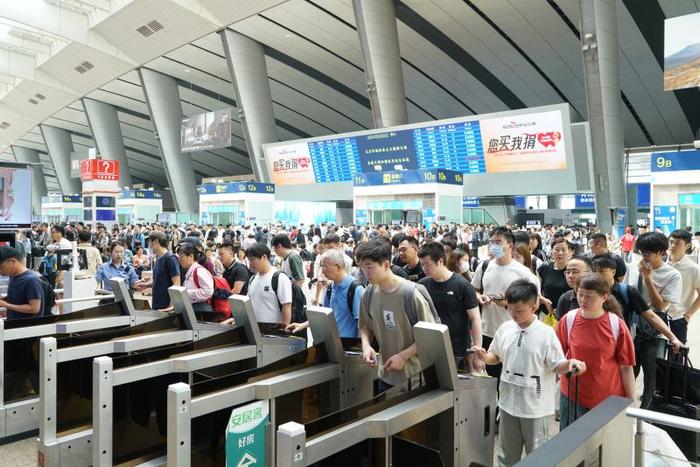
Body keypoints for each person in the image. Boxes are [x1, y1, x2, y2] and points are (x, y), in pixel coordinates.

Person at [472, 280, 585, 466]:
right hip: (508, 402)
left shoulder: (546, 333)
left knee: (537, 455)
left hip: (535, 407)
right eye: (510, 309)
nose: (513, 314)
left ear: (534, 307)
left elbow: (556, 365)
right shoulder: (505, 328)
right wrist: (484, 357)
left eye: (519, 310)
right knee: (507, 454)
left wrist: (570, 364)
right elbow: (496, 356)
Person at [357, 239, 438, 394]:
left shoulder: (411, 294)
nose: (365, 272)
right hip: (384, 375)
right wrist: (366, 346)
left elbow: (430, 337)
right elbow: (365, 326)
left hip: (415, 378)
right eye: (362, 267)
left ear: (386, 265)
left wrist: (402, 356)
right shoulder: (368, 293)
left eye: (369, 267)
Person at [556, 273, 636, 430]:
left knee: (602, 450)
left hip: (607, 398)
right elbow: (556, 356)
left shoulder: (616, 325)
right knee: (571, 446)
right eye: (580, 295)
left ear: (604, 297)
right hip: (573, 395)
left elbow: (626, 367)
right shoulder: (569, 320)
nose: (583, 301)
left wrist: (631, 402)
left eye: (590, 297)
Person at [623, 232, 683, 408]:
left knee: (651, 378)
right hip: (632, 326)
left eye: (648, 253)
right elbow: (627, 295)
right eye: (642, 252)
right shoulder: (633, 267)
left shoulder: (672, 274)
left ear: (661, 252)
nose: (644, 256)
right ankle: (621, 414)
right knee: (626, 372)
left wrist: (648, 279)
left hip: (655, 329)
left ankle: (647, 420)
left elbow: (661, 306)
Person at [471, 227, 540, 378]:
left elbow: (535, 304)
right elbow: (474, 289)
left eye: (498, 242)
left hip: (514, 332)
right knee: (491, 377)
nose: (494, 246)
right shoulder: (484, 266)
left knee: (513, 375)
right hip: (487, 331)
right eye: (492, 242)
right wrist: (479, 297)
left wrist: (508, 304)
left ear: (510, 246)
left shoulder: (523, 273)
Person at [418, 242, 483, 372]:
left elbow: (475, 318)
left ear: (440, 261)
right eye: (422, 265)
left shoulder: (462, 285)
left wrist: (477, 350)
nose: (424, 268)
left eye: (428, 264)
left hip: (458, 350)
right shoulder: (422, 285)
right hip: (431, 349)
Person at [286, 249, 364, 338]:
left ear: (337, 267)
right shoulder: (331, 288)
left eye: (325, 267)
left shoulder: (355, 289)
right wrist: (303, 325)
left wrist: (359, 348)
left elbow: (363, 326)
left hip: (348, 346)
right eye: (321, 267)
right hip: (332, 343)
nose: (322, 271)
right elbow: (325, 316)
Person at [666, 229, 700, 347]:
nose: (672, 246)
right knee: (656, 357)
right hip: (658, 316)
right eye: (671, 242)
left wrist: (688, 315)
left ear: (687, 246)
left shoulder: (693, 268)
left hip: (678, 319)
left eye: (677, 243)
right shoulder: (660, 262)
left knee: (676, 360)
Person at [134, 232, 181, 311]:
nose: (149, 246)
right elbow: (160, 280)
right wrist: (147, 285)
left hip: (166, 306)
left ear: (156, 242)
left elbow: (176, 283)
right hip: (157, 304)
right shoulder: (158, 258)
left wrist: (172, 306)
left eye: (149, 242)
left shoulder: (170, 259)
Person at [0, 244, 44, 320]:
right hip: (14, 324)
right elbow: (19, 298)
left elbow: (34, 308)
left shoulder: (31, 280)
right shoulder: (13, 276)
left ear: (13, 261)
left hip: (26, 327)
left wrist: (6, 305)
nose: (1, 271)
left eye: (1, 267)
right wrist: (4, 299)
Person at [537, 238, 574, 316]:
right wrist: (545, 301)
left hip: (568, 313)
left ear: (570, 251)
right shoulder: (544, 268)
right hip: (546, 313)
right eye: (557, 249)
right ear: (551, 251)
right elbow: (536, 291)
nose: (560, 253)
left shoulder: (573, 269)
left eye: (563, 250)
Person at [177, 241, 214, 312]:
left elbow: (208, 291)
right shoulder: (191, 270)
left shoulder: (199, 271)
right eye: (179, 256)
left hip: (201, 309)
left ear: (191, 256)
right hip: (194, 308)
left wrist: (187, 293)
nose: (179, 259)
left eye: (182, 257)